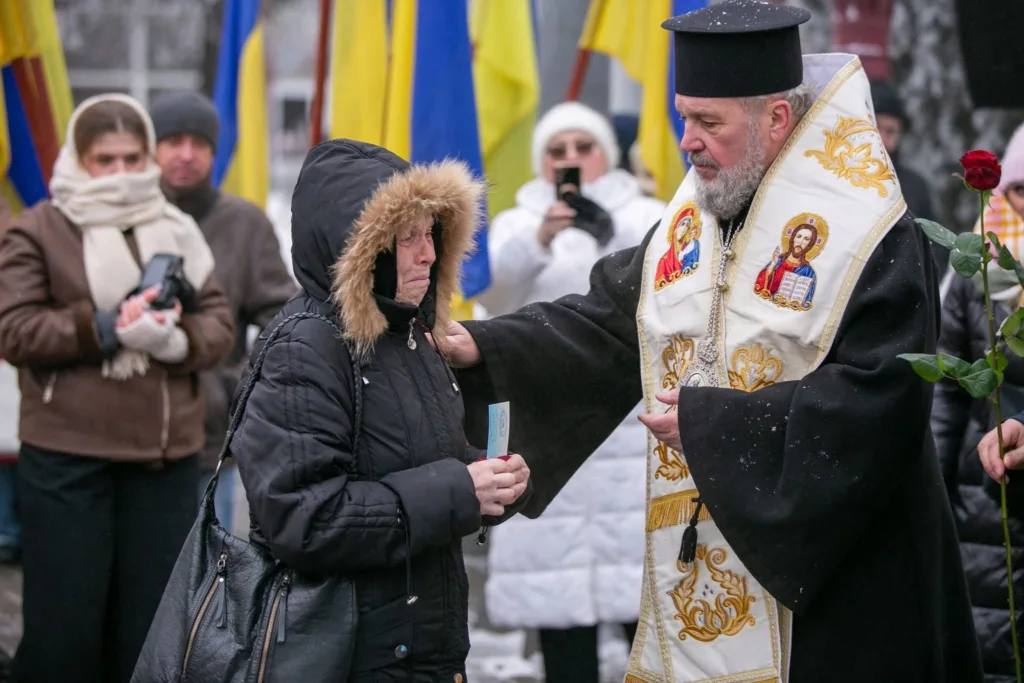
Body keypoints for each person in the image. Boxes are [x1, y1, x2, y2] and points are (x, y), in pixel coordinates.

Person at [444, 2, 983, 681]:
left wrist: (708, 423)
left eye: (708, 122)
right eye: (684, 117)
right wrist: (483, 347)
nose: (687, 141)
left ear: (776, 120)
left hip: (842, 593)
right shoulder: (696, 214)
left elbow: (882, 400)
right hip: (708, 567)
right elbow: (609, 319)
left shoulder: (870, 233)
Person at [231, 139, 532, 683]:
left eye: (431, 234)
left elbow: (407, 460)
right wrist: (460, 490)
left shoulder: (409, 334)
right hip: (343, 656)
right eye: (408, 237)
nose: (429, 254)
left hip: (419, 648)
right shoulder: (305, 349)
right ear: (361, 249)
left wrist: (487, 477)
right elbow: (304, 519)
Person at [0, 93, 234, 683]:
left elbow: (218, 325)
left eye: (133, 158)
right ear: (80, 160)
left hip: (164, 461)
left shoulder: (176, 227)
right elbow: (15, 328)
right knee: (65, 630)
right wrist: (107, 327)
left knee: (150, 631)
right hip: (69, 460)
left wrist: (173, 340)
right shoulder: (42, 229)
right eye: (106, 160)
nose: (123, 173)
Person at [477, 102, 664, 682]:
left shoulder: (649, 211)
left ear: (609, 153)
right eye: (558, 151)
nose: (572, 159)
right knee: (556, 602)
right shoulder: (518, 219)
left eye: (584, 146)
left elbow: (663, 275)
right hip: (548, 423)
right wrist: (540, 237)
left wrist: (607, 225)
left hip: (630, 424)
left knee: (645, 599)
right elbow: (493, 295)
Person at [149, 91, 296, 532]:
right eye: (173, 141)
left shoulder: (245, 224)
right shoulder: (129, 218)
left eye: (199, 143)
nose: (186, 154)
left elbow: (284, 318)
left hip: (208, 436)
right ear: (152, 148)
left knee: (204, 575)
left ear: (215, 152)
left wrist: (234, 384)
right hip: (128, 429)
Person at [948, 122, 1024, 680]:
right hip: (982, 495)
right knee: (989, 648)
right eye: (1022, 190)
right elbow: (944, 391)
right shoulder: (977, 267)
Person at [870, 79, 944, 272]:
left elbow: (934, 250)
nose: (883, 140)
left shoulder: (915, 187)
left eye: (891, 132)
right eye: (876, 128)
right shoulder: (839, 178)